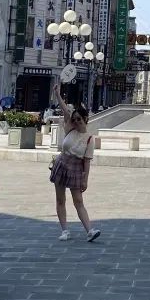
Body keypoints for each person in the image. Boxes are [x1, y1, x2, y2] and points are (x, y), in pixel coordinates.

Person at [49, 83, 101, 242]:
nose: (76, 121)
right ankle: (65, 230)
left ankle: (90, 230)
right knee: (60, 199)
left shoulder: (90, 139)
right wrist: (58, 94)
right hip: (62, 163)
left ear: (86, 119)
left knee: (78, 200)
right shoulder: (70, 129)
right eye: (75, 119)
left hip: (76, 168)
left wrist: (85, 180)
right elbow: (66, 111)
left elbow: (87, 161)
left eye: (79, 119)